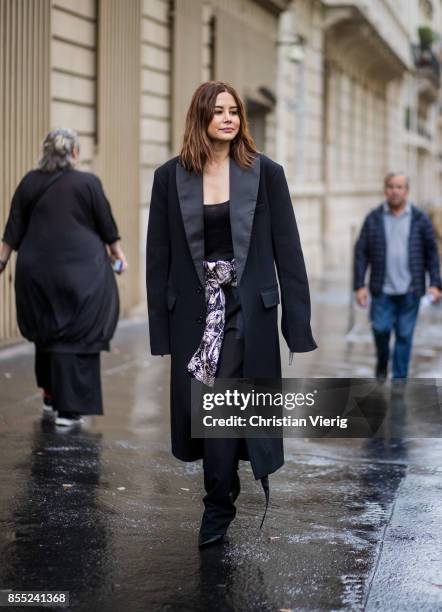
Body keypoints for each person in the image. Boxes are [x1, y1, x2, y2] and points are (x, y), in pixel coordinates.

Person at [146, 81, 316, 548]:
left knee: (218, 400)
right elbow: (156, 255)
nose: (228, 118)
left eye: (234, 111)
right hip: (194, 314)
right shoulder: (169, 177)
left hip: (246, 311)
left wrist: (296, 324)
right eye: (218, 111)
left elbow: (289, 251)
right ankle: (223, 487)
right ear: (200, 117)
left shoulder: (266, 174)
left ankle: (216, 506)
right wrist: (160, 329)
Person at [0, 128, 127, 426]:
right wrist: (118, 254)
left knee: (46, 332)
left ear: (44, 152)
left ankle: (49, 395)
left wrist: (3, 259)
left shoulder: (30, 182)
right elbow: (107, 225)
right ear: (74, 153)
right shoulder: (88, 183)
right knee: (77, 335)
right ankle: (69, 410)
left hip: (36, 273)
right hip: (81, 272)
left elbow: (13, 227)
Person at [354, 171, 441, 381]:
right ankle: (383, 362)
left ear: (406, 191)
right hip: (381, 289)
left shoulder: (420, 219)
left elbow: (431, 252)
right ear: (385, 190)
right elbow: (361, 252)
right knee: (381, 330)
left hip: (411, 290)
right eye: (391, 186)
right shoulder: (374, 218)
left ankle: (399, 382)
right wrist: (360, 285)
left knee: (404, 336)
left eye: (399, 187)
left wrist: (436, 284)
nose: (395, 191)